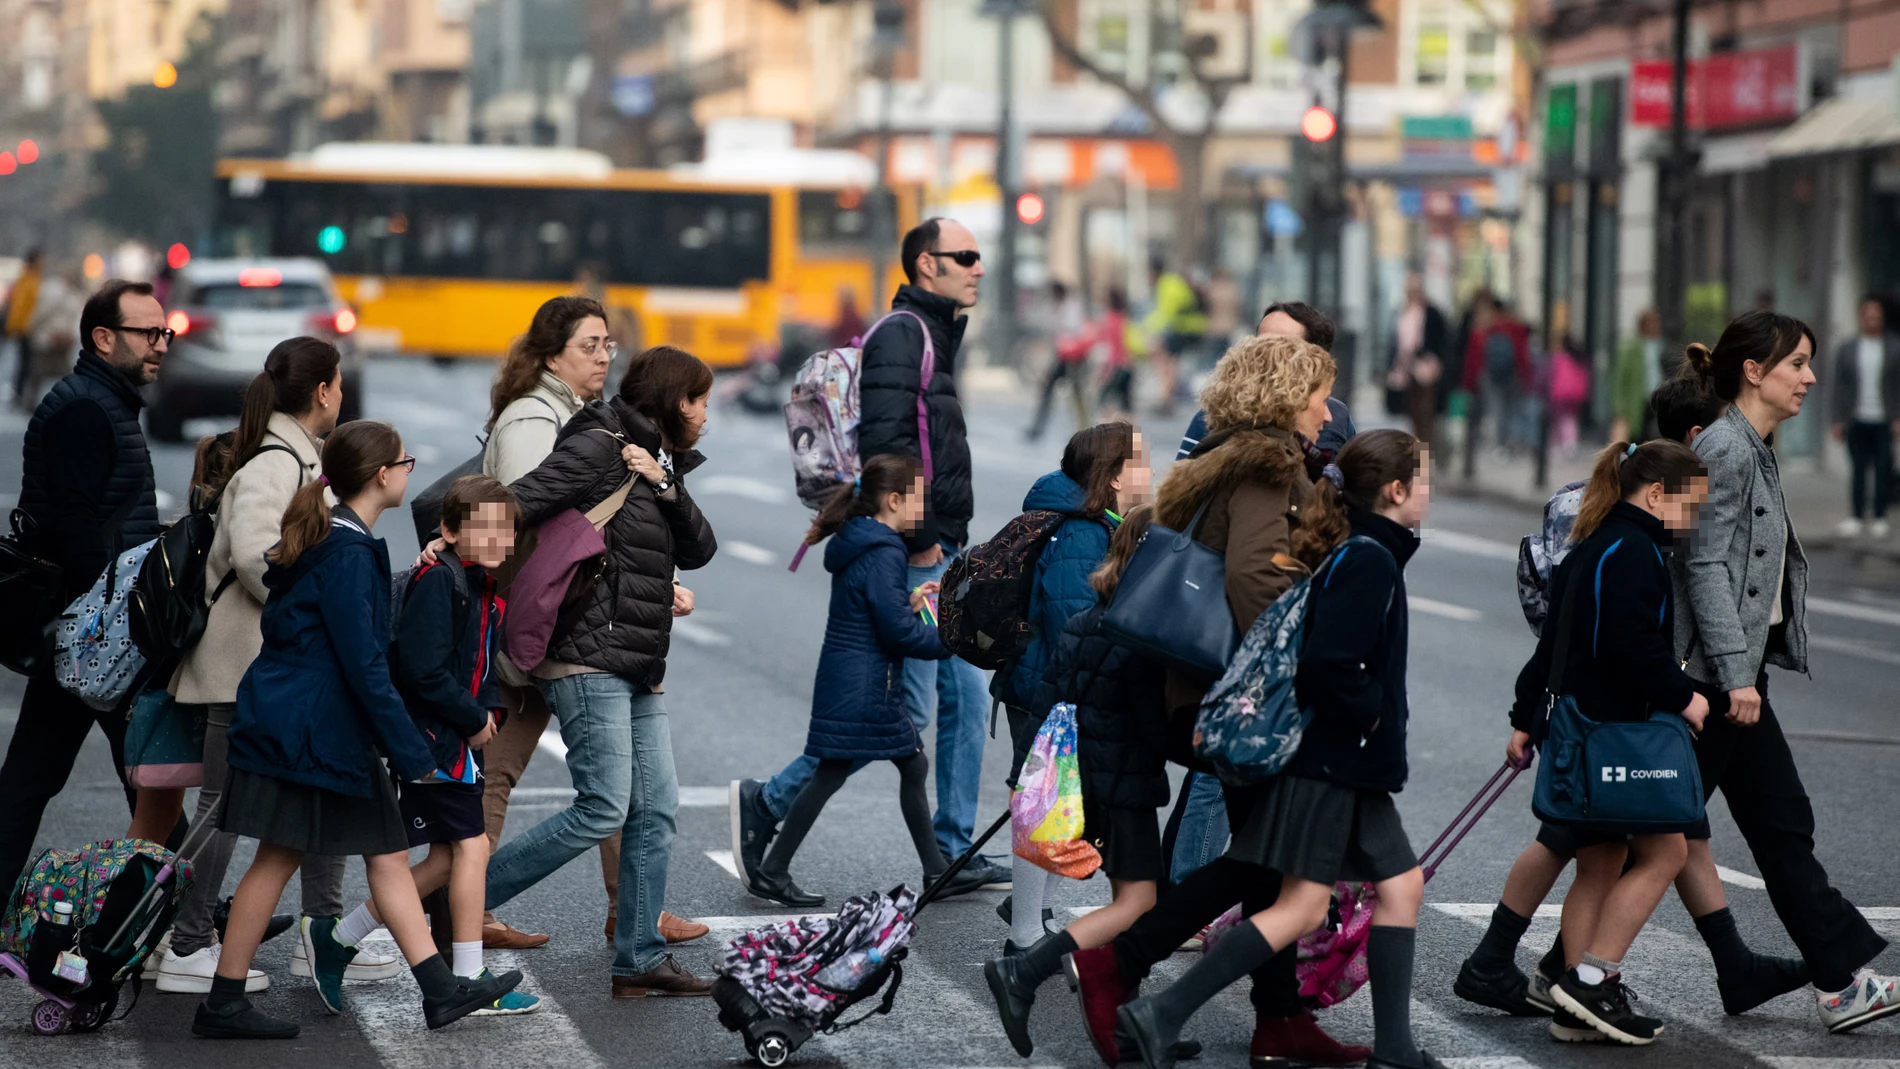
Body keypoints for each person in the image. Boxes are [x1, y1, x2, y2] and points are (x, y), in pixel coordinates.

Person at [1072, 335, 1370, 1069]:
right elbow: (1252, 579)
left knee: (1265, 855)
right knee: (1271, 854)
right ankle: (1121, 959)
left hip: (1196, 689)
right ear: (1284, 398)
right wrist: (1296, 663)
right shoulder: (1269, 467)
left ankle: (1280, 1020)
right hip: (1242, 697)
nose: (1327, 409)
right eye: (1318, 394)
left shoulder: (1218, 458)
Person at [1114, 429, 1435, 1069]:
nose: (1430, 493)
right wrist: (1370, 715)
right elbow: (1329, 663)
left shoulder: (1366, 551)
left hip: (1351, 765)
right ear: (1397, 490)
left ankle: (1396, 1049)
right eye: (1425, 481)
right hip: (1331, 764)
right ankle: (1160, 1012)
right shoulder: (1367, 557)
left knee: (1402, 886)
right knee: (1300, 906)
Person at [194, 420, 521, 1039]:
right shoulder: (346, 548)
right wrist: (409, 749)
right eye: (405, 462)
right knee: (290, 857)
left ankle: (437, 990)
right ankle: (225, 1001)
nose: (408, 471)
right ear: (380, 475)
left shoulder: (340, 537)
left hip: (307, 724)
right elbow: (363, 661)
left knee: (373, 857)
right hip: (317, 731)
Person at [731, 218, 1008, 891]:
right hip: (923, 547)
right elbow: (891, 439)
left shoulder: (934, 332)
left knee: (963, 699)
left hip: (943, 543)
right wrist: (917, 539)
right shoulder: (903, 333)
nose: (977, 267)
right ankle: (771, 801)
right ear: (925, 264)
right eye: (964, 256)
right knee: (905, 717)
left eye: (978, 256)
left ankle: (950, 848)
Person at [153, 337, 401, 993]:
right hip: (249, 668)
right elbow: (261, 561)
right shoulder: (273, 466)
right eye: (340, 383)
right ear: (323, 391)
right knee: (222, 810)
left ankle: (317, 935)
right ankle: (186, 943)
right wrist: (329, 600)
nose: (343, 393)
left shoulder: (301, 460)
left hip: (283, 669)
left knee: (318, 797)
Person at [1677, 311, 1900, 1034]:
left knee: (1777, 822)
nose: (1809, 377)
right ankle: (1563, 969)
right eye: (1797, 363)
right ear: (1754, 370)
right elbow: (1703, 562)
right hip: (1719, 682)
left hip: (1736, 676)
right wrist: (1736, 676)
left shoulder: (1751, 443)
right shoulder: (1728, 448)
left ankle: (1838, 980)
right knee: (1645, 837)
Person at [484, 345, 718, 998]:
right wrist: (453, 542)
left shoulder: (657, 460)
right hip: (586, 656)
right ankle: (459, 895)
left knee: (656, 806)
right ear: (676, 399)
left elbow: (700, 547)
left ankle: (638, 957)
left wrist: (664, 482)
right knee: (604, 806)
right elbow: (515, 502)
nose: (706, 413)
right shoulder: (600, 446)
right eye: (700, 399)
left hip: (637, 662)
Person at [330, 474, 542, 1017]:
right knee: (472, 848)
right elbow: (423, 670)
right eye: (486, 529)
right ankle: (470, 975)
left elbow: (475, 664)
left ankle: (339, 937)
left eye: (507, 531)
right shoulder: (440, 582)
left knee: (449, 856)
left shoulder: (475, 583)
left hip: (449, 736)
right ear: (448, 530)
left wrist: (488, 710)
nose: (500, 540)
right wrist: (472, 718)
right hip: (434, 740)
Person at [986, 505, 1186, 1061]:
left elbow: (1050, 704)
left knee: (1133, 905)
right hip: (1126, 788)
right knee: (1138, 904)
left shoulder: (1086, 620)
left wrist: (1029, 775)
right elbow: (1151, 725)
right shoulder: (1140, 632)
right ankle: (1025, 970)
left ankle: (1132, 1022)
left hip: (1090, 783)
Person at [746, 455, 985, 904]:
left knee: (876, 768)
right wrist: (953, 640)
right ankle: (934, 871)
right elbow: (897, 632)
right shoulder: (885, 549)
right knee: (872, 769)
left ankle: (934, 869)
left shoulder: (862, 540)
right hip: (866, 683)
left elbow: (878, 609)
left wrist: (910, 599)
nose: (923, 513)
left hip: (853, 677)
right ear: (894, 501)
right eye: (919, 502)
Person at [0, 279, 171, 895]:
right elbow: (76, 529)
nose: (161, 345)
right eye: (148, 334)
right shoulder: (84, 409)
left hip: (97, 631)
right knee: (147, 773)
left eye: (165, 333)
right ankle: (190, 922)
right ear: (104, 338)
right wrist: (112, 618)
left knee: (144, 774)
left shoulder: (106, 402)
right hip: (95, 635)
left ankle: (190, 916)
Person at [990, 422, 1150, 948]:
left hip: (1057, 684)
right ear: (1112, 478)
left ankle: (1033, 911)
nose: (1151, 471)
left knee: (1062, 807)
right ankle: (1024, 933)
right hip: (1047, 687)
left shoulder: (1096, 524)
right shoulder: (1082, 532)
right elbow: (1071, 618)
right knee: (1042, 803)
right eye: (1140, 461)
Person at [1831, 295, 1900, 540]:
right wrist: (1837, 420)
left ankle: (1879, 516)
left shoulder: (1893, 346)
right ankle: (1857, 516)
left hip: (1883, 419)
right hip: (1855, 419)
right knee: (1858, 469)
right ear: (1860, 317)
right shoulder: (1848, 348)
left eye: (1876, 315)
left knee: (1883, 469)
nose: (1872, 320)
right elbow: (1838, 386)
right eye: (1867, 315)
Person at [1385, 272, 1450, 447]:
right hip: (1403, 370)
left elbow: (1442, 342)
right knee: (1409, 417)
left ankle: (1423, 466)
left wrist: (1435, 362)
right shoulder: (1400, 312)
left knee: (1425, 418)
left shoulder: (1432, 313)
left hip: (1426, 370)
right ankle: (1415, 461)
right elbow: (1394, 342)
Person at [1027, 281, 1093, 441]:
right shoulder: (1055, 308)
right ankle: (1037, 427)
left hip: (1075, 357)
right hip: (1062, 356)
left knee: (1077, 394)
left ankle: (1085, 429)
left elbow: (1074, 329)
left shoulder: (1071, 307)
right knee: (1048, 389)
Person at [1141, 257, 1207, 417]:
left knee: (1166, 361)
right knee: (1168, 361)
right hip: (1187, 327)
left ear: (1153, 272)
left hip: (1184, 329)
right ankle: (1167, 398)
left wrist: (1145, 327)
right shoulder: (1171, 282)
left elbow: (1165, 314)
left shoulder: (1166, 285)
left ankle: (1166, 399)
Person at [1608, 309, 1666, 443]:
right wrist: (1619, 407)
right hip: (1637, 400)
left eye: (1656, 323)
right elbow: (1620, 378)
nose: (1654, 327)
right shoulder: (1631, 348)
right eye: (1650, 323)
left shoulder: (1661, 346)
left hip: (1657, 398)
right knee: (1636, 438)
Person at [5, 248, 43, 409]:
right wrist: (20, 326)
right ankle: (20, 396)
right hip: (26, 329)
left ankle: (20, 395)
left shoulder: (27, 278)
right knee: (27, 364)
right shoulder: (29, 279)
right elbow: (21, 306)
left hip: (25, 327)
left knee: (25, 364)